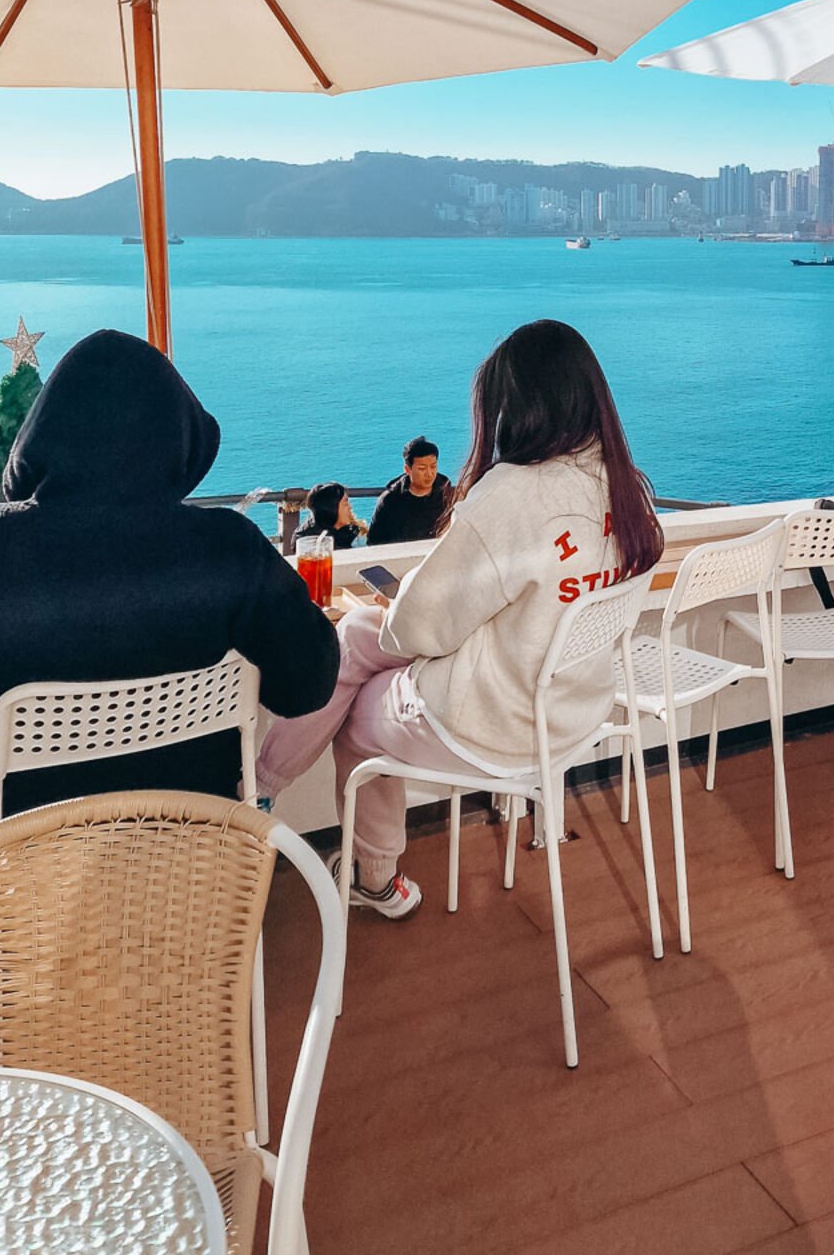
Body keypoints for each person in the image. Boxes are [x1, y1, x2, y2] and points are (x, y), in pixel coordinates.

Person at [256, 320, 663, 918]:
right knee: (360, 638)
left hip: (498, 724)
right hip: (572, 713)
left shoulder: (514, 494)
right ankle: (286, 806)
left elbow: (422, 628)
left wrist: (400, 625)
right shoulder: (627, 488)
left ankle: (343, 854)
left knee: (359, 693)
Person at [0, 330, 340, 833]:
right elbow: (307, 685)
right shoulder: (228, 548)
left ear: (43, 434)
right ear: (179, 439)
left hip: (27, 867)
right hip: (190, 851)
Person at [367, 437, 453, 545]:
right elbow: (374, 542)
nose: (429, 474)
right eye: (422, 468)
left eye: (433, 467)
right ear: (407, 469)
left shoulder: (447, 495)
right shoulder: (390, 501)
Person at [304, 480, 365, 550]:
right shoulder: (314, 543)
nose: (350, 507)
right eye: (346, 503)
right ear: (333, 508)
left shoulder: (347, 534)